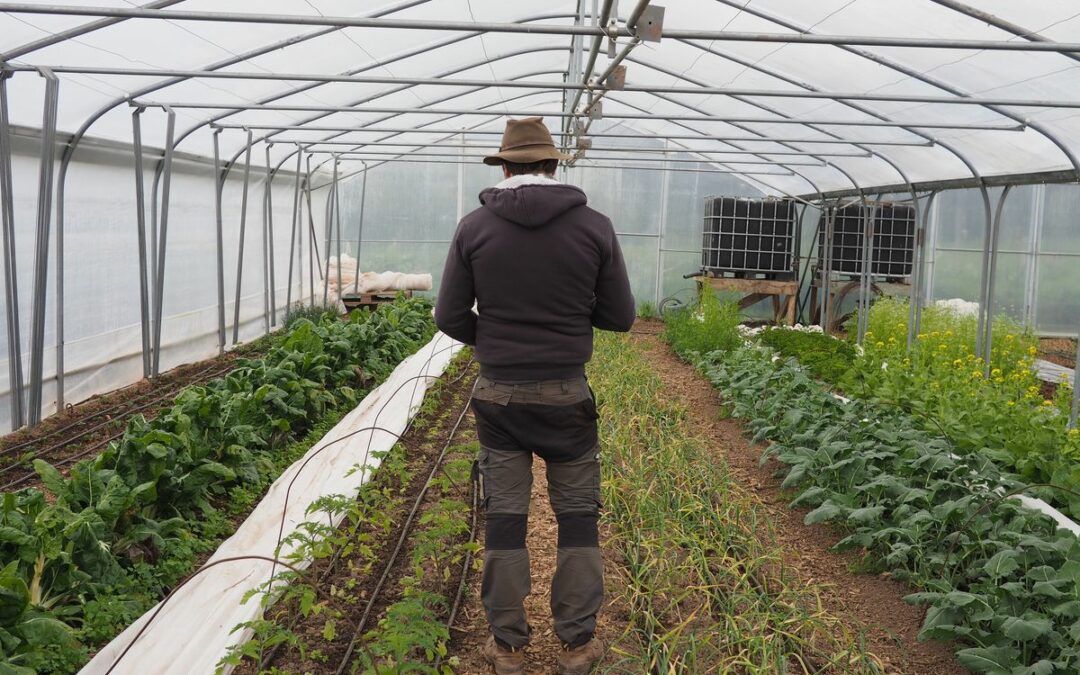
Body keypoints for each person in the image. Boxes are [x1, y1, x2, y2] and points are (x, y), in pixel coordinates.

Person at [434, 117, 635, 674]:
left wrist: (496, 339)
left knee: (504, 516)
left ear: (503, 166)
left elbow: (449, 314)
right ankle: (576, 644)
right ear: (553, 164)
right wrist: (567, 322)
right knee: (576, 517)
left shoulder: (474, 227)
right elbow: (620, 316)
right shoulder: (594, 227)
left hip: (498, 396)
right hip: (566, 395)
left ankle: (506, 646)